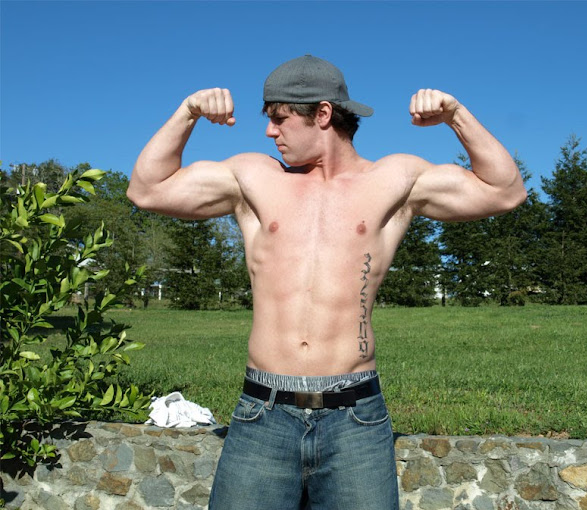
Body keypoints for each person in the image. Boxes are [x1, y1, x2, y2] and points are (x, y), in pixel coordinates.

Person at [127, 54, 526, 510]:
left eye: (279, 119)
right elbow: (147, 189)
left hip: (355, 418)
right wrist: (188, 112)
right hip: (263, 413)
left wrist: (455, 115)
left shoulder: (394, 179)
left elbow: (505, 191)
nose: (269, 131)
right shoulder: (253, 177)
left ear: (322, 114)